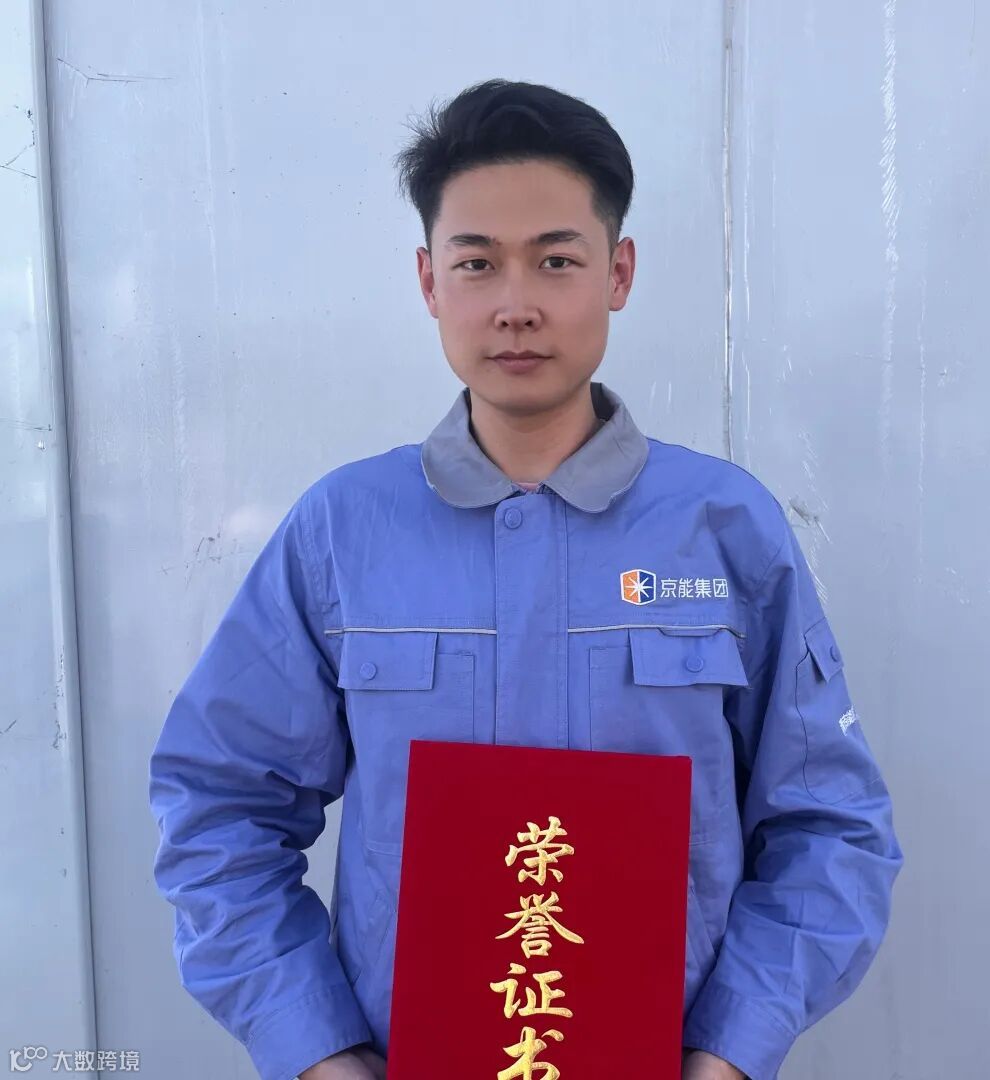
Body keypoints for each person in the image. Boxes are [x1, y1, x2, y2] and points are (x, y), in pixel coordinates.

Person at [149, 79, 902, 1080]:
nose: (516, 306)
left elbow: (830, 828)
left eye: (556, 260)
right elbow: (220, 808)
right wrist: (315, 1048)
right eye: (477, 263)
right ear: (429, 281)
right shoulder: (342, 531)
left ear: (618, 272)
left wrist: (732, 1049)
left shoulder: (725, 528)